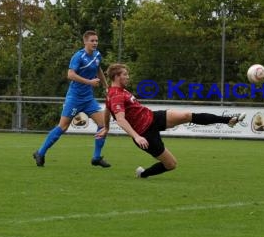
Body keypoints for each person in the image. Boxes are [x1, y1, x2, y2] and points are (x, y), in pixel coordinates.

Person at [100, 63, 246, 178]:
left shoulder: (115, 93)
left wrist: (106, 127)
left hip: (152, 117)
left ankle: (228, 120)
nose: (128, 77)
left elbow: (107, 110)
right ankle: (143, 174)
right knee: (171, 164)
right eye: (125, 74)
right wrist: (136, 136)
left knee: (186, 116)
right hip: (144, 133)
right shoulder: (116, 95)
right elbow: (120, 119)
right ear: (116, 77)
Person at [32, 30, 111, 168]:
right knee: (62, 127)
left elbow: (98, 70)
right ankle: (40, 152)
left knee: (103, 125)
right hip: (74, 98)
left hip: (88, 99)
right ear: (85, 41)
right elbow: (70, 75)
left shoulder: (97, 55)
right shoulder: (78, 56)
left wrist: (106, 86)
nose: (95, 43)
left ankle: (96, 157)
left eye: (96, 41)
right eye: (92, 41)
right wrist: (89, 82)